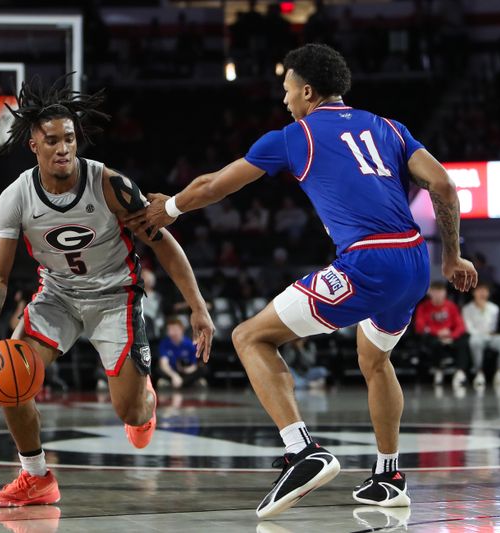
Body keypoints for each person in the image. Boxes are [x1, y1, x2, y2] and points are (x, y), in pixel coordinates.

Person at [131, 43, 477, 515]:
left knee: (250, 337)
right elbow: (443, 184)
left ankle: (302, 451)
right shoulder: (390, 127)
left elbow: (214, 185)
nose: (284, 99)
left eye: (287, 89)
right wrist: (452, 257)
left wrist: (167, 209)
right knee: (375, 360)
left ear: (308, 91)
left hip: (367, 264)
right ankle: (389, 476)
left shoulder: (297, 136)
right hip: (414, 260)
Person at [0, 78, 214, 508]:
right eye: (53, 140)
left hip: (115, 296)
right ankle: (36, 478)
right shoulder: (15, 198)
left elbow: (164, 244)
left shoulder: (109, 185)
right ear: (34, 145)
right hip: (58, 297)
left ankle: (145, 399)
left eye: (70, 138)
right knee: (10, 374)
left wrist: (198, 307)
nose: (64, 147)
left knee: (131, 414)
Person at [414, 281, 471, 388]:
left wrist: (452, 336)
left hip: (450, 336)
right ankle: (438, 369)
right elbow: (420, 326)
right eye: (435, 292)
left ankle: (460, 371)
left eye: (441, 292)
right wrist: (437, 332)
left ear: (445, 293)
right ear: (430, 293)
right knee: (431, 341)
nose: (438, 295)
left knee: (464, 339)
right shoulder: (423, 307)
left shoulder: (451, 306)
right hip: (433, 336)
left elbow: (460, 326)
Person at [461, 282, 500, 388]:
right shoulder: (467, 309)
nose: (482, 294)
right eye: (479, 291)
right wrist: (481, 334)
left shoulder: (494, 308)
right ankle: (479, 372)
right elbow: (469, 328)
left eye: (485, 291)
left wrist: (491, 334)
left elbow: (494, 327)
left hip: (491, 336)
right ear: (473, 293)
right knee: (475, 342)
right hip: (477, 336)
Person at [156, 317, 208, 389]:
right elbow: (164, 364)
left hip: (185, 371)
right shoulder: (164, 343)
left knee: (203, 369)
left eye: (174, 329)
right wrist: (174, 376)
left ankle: (180, 383)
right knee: (158, 369)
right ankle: (187, 383)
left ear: (181, 330)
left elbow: (194, 365)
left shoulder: (190, 344)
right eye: (169, 330)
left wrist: (186, 370)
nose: (171, 333)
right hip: (171, 371)